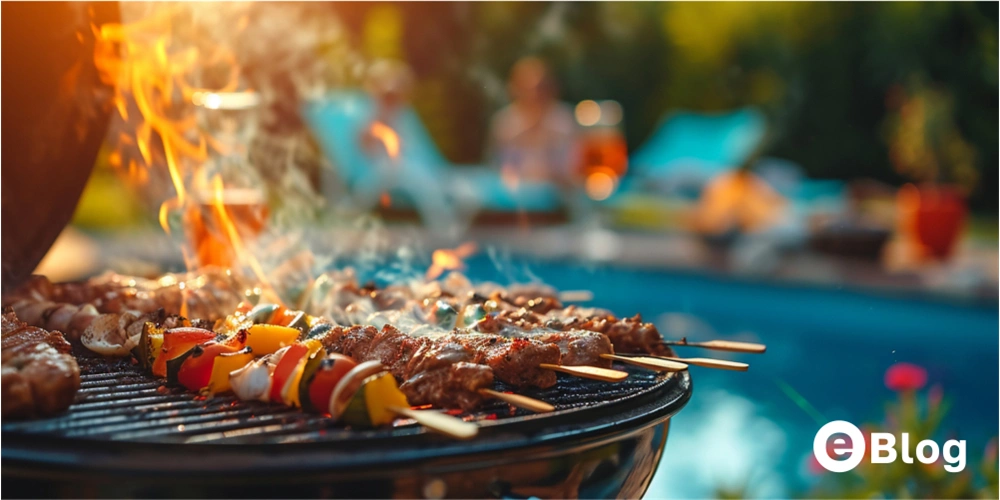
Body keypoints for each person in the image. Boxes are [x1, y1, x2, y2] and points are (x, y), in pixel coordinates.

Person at [486, 57, 579, 188]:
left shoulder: (565, 119)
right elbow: (499, 169)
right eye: (527, 88)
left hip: (560, 196)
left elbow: (574, 170)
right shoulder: (504, 122)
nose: (534, 95)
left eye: (540, 88)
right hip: (517, 198)